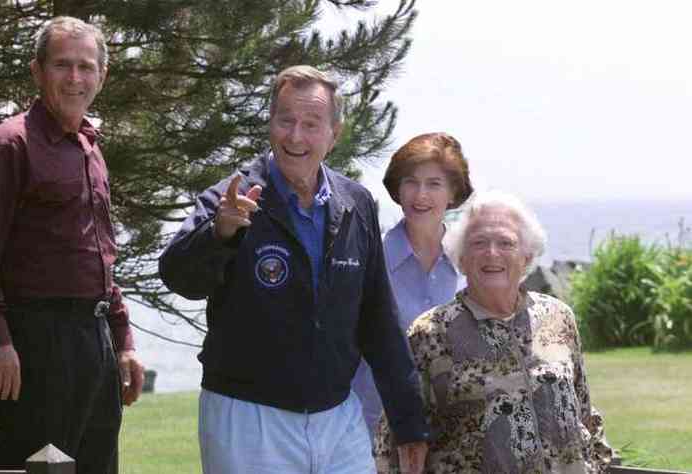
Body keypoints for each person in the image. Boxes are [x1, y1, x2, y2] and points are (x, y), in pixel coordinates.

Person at [159, 65, 430, 474]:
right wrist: (219, 233)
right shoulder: (231, 197)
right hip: (249, 418)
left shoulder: (357, 203)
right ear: (271, 124)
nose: (296, 136)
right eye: (285, 121)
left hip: (338, 417)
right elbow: (178, 276)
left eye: (311, 124)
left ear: (333, 135)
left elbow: (378, 321)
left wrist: (409, 423)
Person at [0, 16, 144, 472]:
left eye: (85, 66)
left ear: (102, 75)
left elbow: (101, 257)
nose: (75, 78)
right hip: (34, 341)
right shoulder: (7, 146)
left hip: (92, 338)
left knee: (95, 464)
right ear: (38, 72)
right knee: (34, 462)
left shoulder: (89, 149)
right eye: (61, 65)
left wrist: (124, 340)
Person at [374, 190, 613, 473]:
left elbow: (583, 412)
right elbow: (393, 442)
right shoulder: (430, 332)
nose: (491, 253)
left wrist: (597, 464)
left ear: (526, 257)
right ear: (461, 259)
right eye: (478, 243)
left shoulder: (558, 317)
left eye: (505, 242)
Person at [351, 132, 473, 442]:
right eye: (410, 182)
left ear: (453, 193)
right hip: (374, 436)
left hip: (455, 440)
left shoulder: (471, 266)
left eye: (434, 184)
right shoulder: (368, 264)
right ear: (397, 189)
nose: (420, 195)